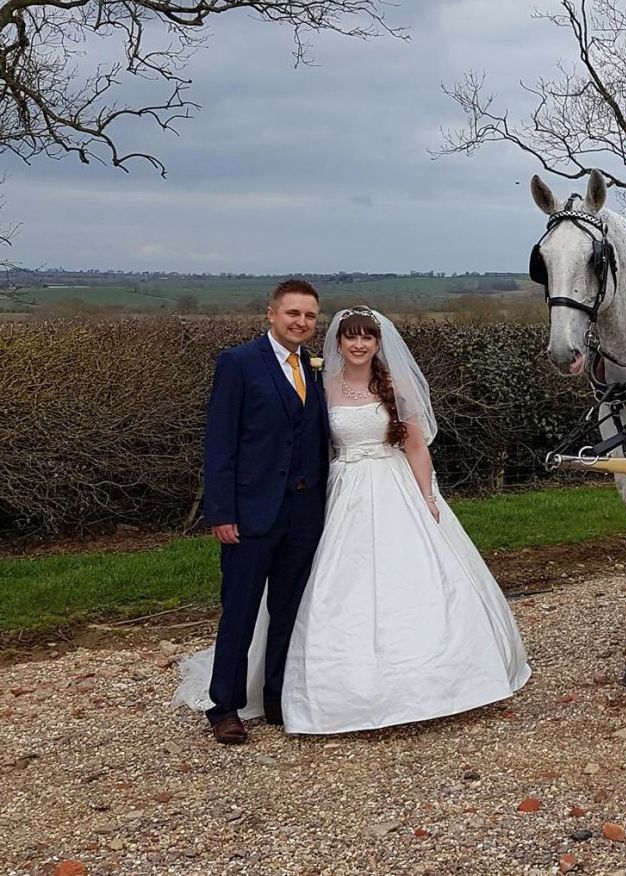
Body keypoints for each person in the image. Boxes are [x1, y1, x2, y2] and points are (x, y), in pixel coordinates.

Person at [178, 305, 531, 736]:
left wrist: (427, 496)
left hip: (393, 484)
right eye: (351, 337)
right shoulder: (320, 386)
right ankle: (283, 690)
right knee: (325, 584)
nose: (360, 344)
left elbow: (417, 447)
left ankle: (433, 679)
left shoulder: (394, 386)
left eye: (368, 337)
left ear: (379, 343)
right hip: (341, 490)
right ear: (339, 342)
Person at [195, 279, 331, 746]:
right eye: (293, 313)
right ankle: (224, 706)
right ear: (271, 315)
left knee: (288, 610)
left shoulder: (313, 369)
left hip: (304, 511)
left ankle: (277, 697)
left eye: (310, 316)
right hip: (250, 512)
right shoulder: (237, 363)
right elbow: (220, 442)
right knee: (240, 609)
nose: (301, 322)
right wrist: (221, 511)